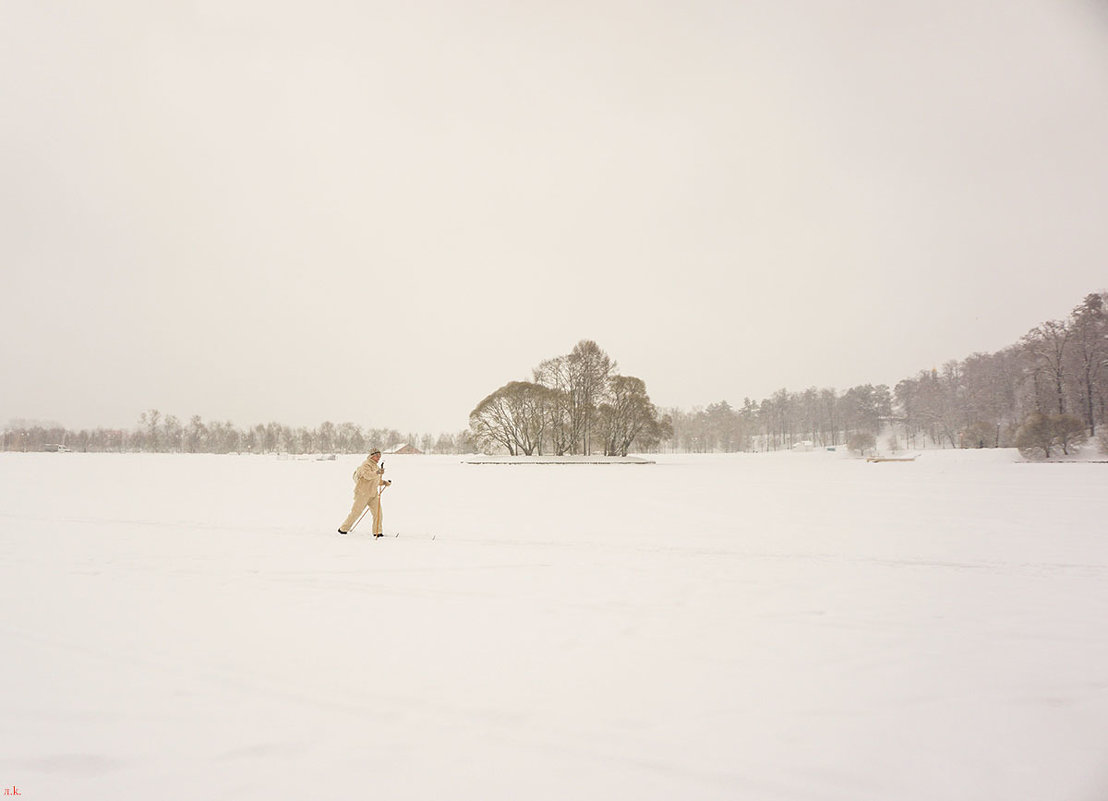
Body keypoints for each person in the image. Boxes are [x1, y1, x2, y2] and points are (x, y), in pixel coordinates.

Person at [338, 448, 391, 536]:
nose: (379, 458)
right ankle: (343, 529)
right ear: (372, 456)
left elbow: (375, 480)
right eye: (377, 456)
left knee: (378, 513)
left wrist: (384, 483)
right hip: (363, 493)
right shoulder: (365, 465)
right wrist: (377, 472)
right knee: (356, 512)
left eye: (380, 456)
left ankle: (377, 532)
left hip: (373, 494)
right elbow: (367, 476)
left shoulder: (376, 466)